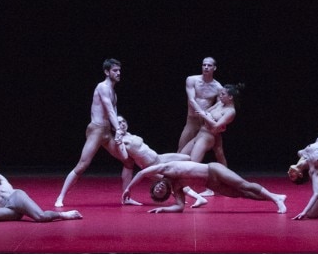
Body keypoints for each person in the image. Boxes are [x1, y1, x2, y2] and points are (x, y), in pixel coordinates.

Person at [54, 58, 140, 208]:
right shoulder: (102, 87)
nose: (118, 73)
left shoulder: (114, 92)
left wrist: (120, 131)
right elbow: (109, 109)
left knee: (128, 161)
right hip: (96, 130)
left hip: (106, 132)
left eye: (119, 70)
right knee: (82, 165)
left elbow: (114, 114)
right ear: (107, 72)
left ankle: (126, 198)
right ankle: (60, 197)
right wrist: (118, 130)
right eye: (115, 70)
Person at [122, 159, 287, 214]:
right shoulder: (177, 188)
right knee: (242, 193)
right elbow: (179, 207)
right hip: (211, 183)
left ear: (156, 183)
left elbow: (142, 172)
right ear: (165, 194)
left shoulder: (166, 168)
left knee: (244, 185)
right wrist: (163, 209)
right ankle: (275, 197)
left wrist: (129, 188)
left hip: (213, 169)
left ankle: (276, 200)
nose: (159, 190)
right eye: (161, 193)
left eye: (157, 189)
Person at [115, 117, 208, 207]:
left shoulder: (129, 135)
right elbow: (124, 156)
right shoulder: (122, 140)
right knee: (173, 181)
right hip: (150, 166)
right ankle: (198, 198)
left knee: (187, 158)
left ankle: (200, 177)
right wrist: (118, 140)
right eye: (119, 123)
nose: (122, 124)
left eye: (123, 121)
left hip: (159, 157)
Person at [176, 57, 228, 166]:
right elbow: (191, 100)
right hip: (192, 120)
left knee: (218, 150)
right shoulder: (192, 80)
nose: (206, 67)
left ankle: (226, 174)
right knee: (181, 150)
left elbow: (220, 106)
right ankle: (172, 175)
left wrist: (219, 122)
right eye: (204, 65)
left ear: (214, 68)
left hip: (206, 123)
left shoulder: (218, 87)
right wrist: (202, 112)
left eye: (209, 65)